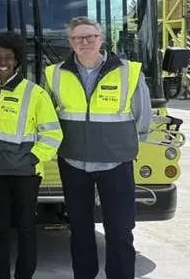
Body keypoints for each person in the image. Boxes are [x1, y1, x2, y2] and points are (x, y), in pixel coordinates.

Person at [44, 16, 151, 279]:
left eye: (91, 36)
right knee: (80, 230)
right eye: (79, 38)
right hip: (74, 162)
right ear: (71, 43)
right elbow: (48, 116)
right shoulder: (54, 73)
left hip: (116, 162)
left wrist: (123, 144)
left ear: (101, 39)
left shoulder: (129, 71)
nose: (86, 42)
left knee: (121, 230)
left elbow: (142, 116)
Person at [0, 33, 62, 279]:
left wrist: (33, 159)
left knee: (26, 228)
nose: (2, 62)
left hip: (25, 174)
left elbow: (53, 135)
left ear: (16, 61)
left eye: (8, 57)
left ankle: (24, 275)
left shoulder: (35, 93)